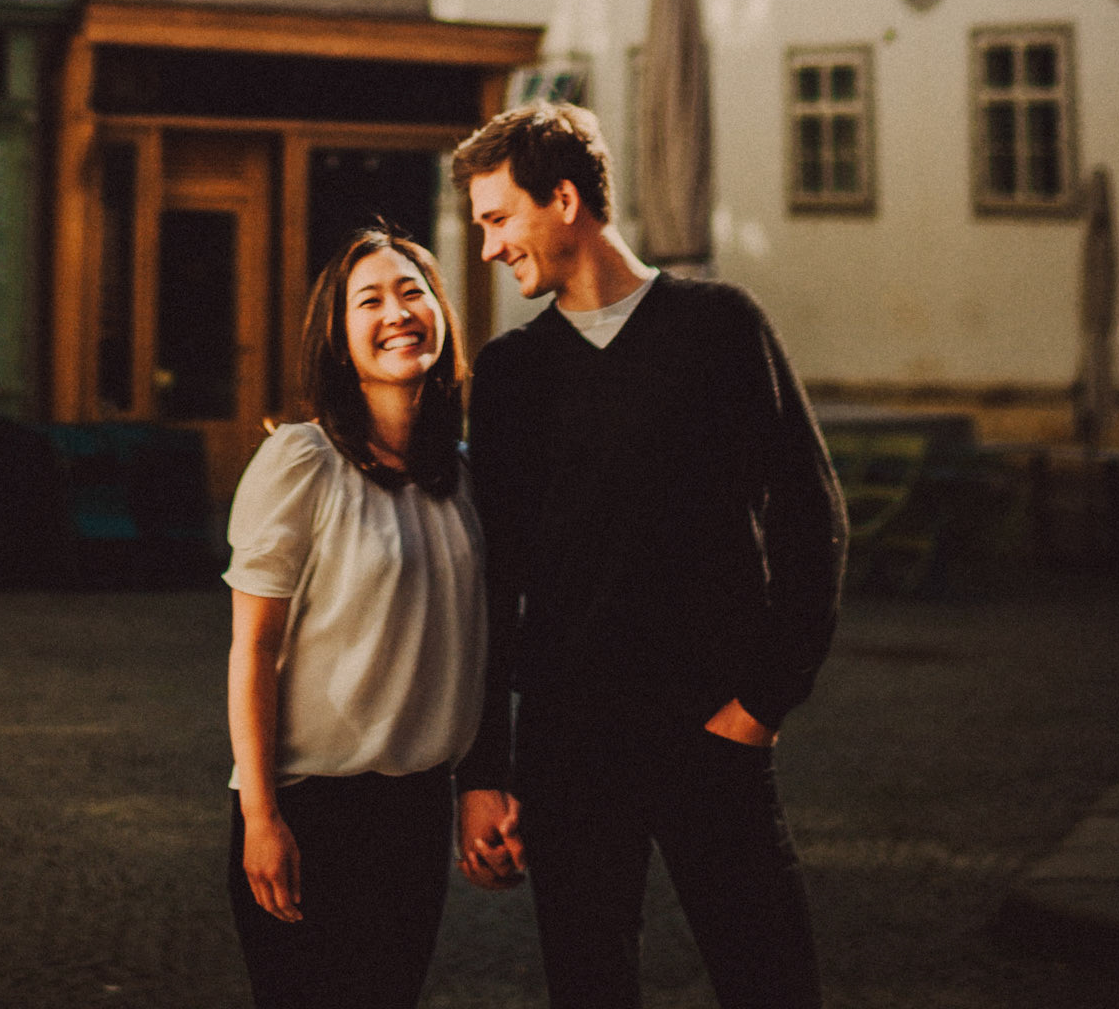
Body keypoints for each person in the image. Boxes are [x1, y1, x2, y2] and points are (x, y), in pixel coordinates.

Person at [451, 102, 847, 1009]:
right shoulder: (511, 374)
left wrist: (763, 702)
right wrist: (483, 775)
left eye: (498, 219)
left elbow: (812, 516)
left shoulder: (720, 327)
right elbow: (492, 583)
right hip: (568, 749)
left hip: (713, 732)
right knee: (589, 989)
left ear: (563, 199)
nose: (489, 248)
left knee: (774, 984)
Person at [224, 227, 485, 1009]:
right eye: (369, 300)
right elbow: (252, 651)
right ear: (338, 341)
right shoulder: (302, 462)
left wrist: (486, 783)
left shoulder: (463, 477)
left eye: (413, 292)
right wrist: (261, 816)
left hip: (416, 811)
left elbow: (479, 647)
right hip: (310, 807)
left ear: (441, 314)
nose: (397, 313)